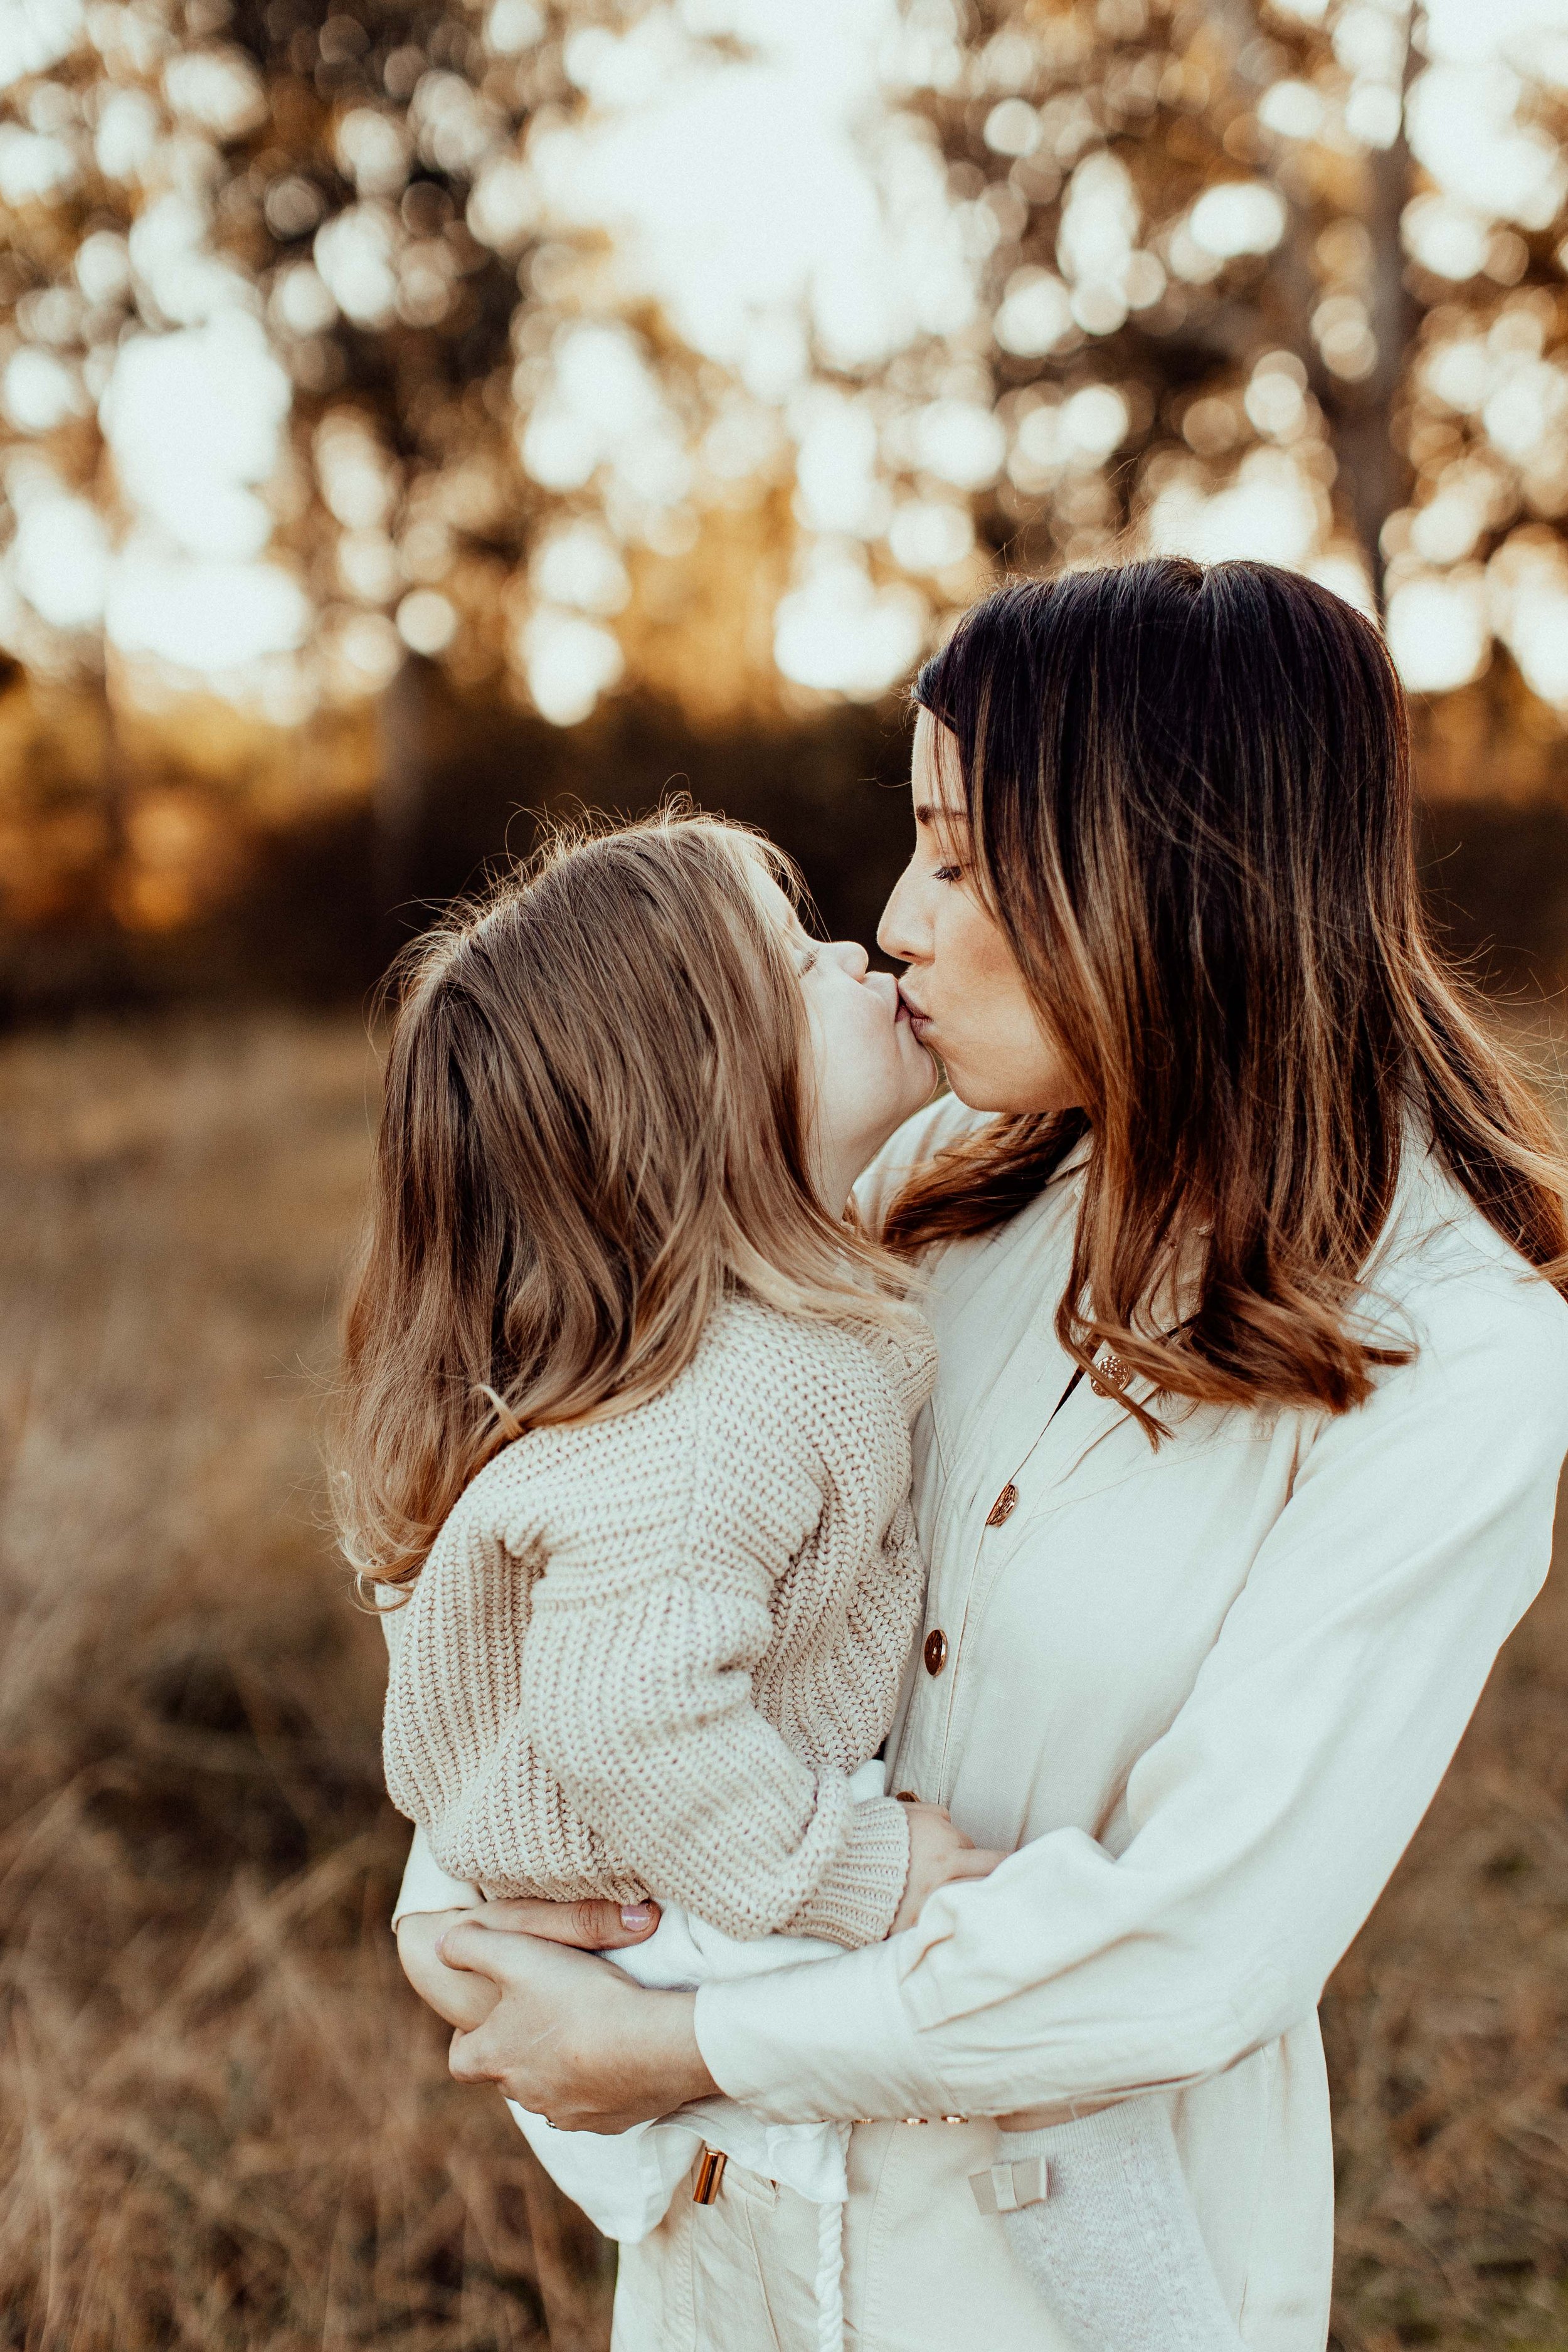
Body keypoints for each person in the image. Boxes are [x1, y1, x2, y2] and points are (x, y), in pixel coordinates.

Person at [397, 559, 1568, 2352]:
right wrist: (464, 1915)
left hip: (1045, 2287)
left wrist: (678, 2044)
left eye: (956, 854)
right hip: (731, 2258)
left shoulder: (1454, 1352)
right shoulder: (905, 1185)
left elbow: (1196, 1941)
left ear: (1162, 869)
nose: (892, 917)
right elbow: (584, 1554)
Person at [336, 806, 1246, 2352]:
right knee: (1067, 2075)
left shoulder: (730, 1330)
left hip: (637, 1877)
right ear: (702, 1094)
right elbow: (630, 1713)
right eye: (791, 962)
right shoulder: (732, 1400)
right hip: (680, 1895)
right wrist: (855, 1873)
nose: (860, 945)